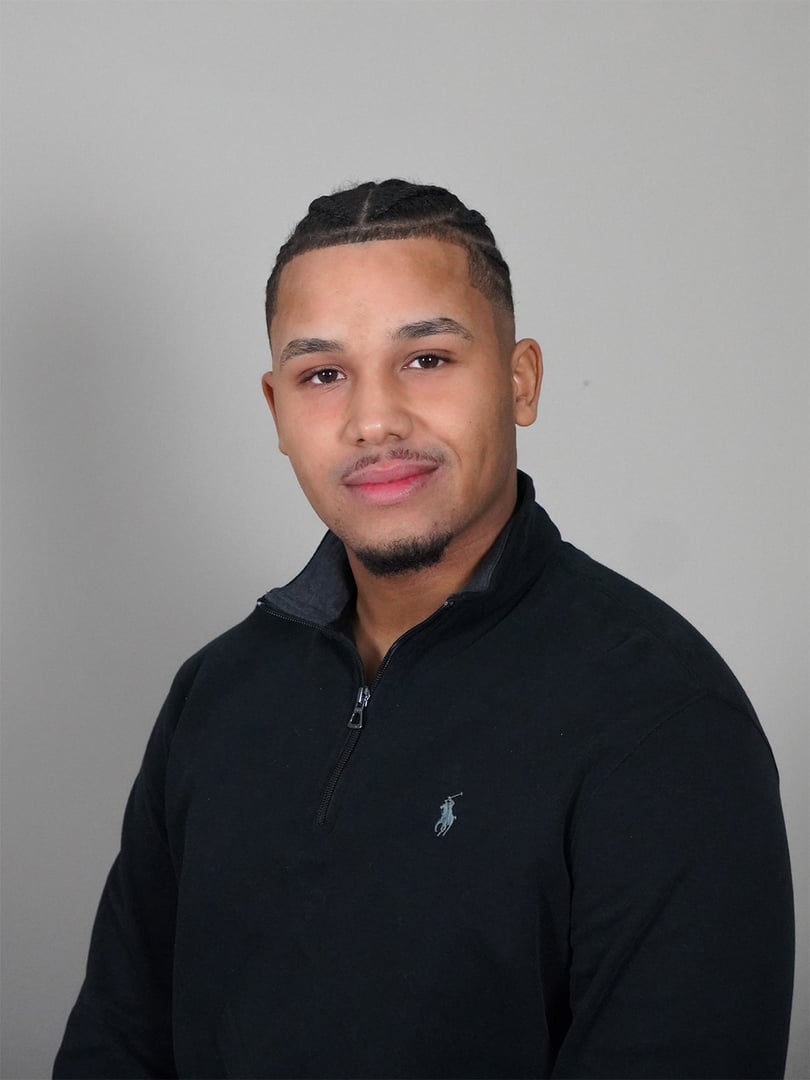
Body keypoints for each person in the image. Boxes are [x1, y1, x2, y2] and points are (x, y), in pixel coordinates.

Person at [54, 179, 794, 1079]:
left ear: (519, 381)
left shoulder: (665, 722)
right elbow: (116, 1045)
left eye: (428, 359)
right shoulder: (215, 695)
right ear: (276, 410)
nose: (373, 421)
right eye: (323, 375)